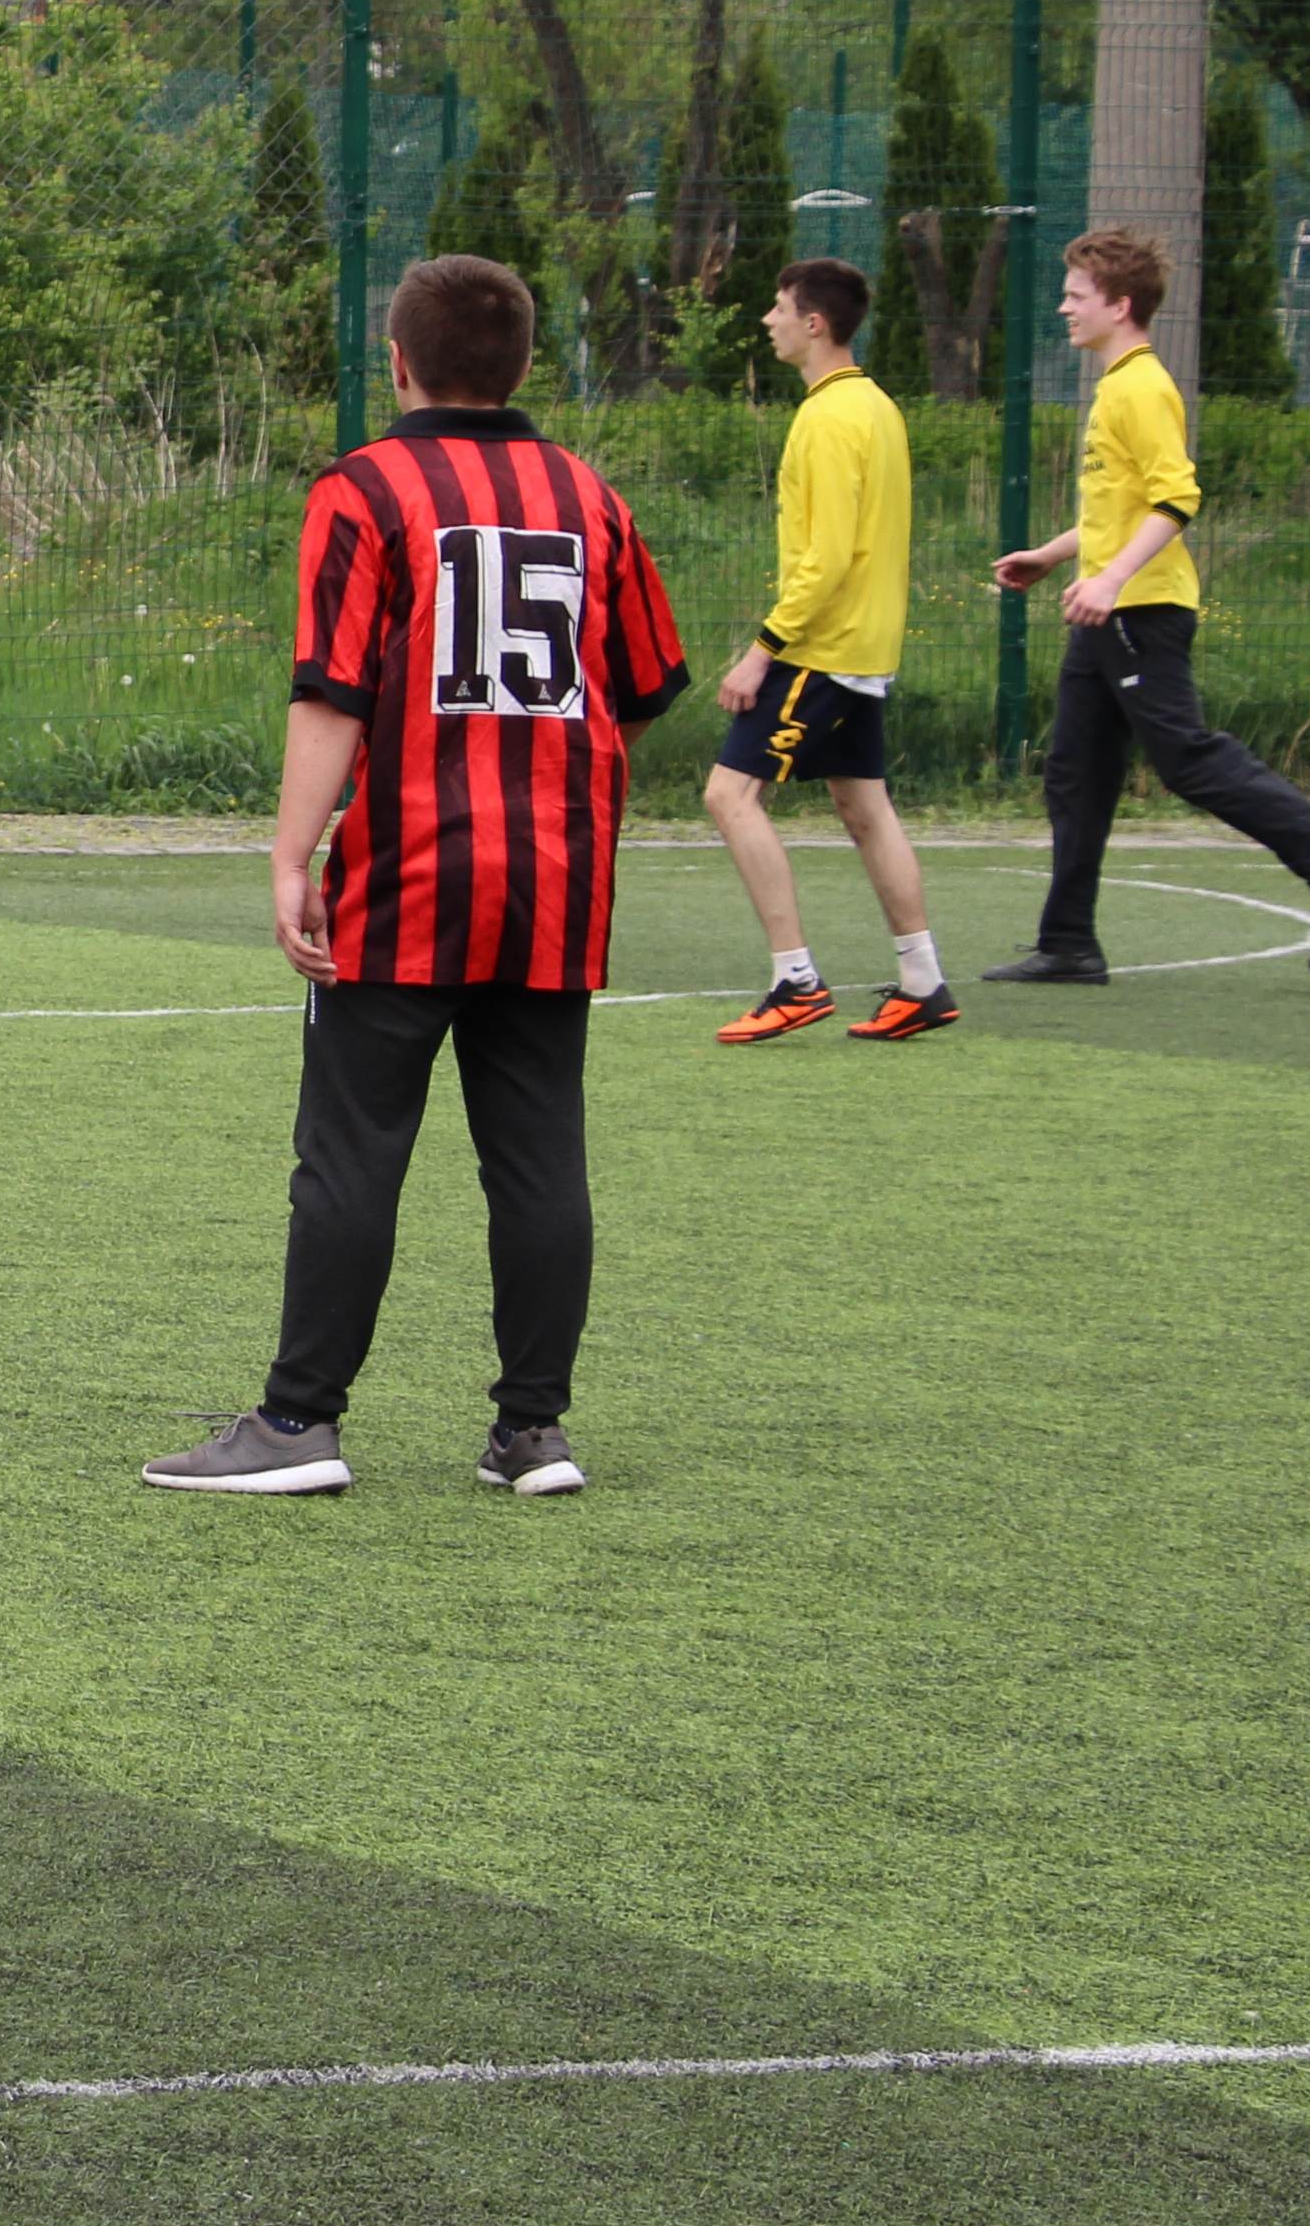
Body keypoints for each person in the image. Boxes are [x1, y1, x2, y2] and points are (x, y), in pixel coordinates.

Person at [147, 255, 687, 1503]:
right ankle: (533, 1433)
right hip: (556, 874)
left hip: (410, 871)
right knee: (539, 1156)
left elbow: (331, 692)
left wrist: (291, 855)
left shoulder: (365, 489)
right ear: (525, 364)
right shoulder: (589, 495)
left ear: (396, 361)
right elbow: (645, 682)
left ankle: (299, 1423)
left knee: (351, 1152)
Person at [984, 228, 1310, 982]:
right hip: (1107, 616)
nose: (1063, 307)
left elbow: (1175, 499)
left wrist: (1109, 582)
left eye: (1075, 295)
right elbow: (1122, 509)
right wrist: (1055, 555)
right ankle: (1068, 943)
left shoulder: (1141, 387)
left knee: (1186, 758)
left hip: (1140, 613)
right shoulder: (1116, 384)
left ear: (1119, 305)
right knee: (1075, 773)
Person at [708, 255, 953, 1041]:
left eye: (779, 308)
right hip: (865, 647)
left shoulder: (826, 417)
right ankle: (923, 981)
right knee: (863, 805)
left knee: (729, 795)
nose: (768, 321)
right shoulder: (877, 406)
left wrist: (762, 650)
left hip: (822, 646)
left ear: (814, 323)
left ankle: (796, 980)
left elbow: (828, 558)